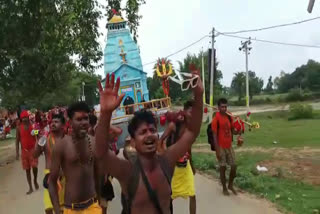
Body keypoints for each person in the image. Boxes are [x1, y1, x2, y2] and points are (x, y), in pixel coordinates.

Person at [95, 72, 203, 214]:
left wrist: (199, 95)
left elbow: (192, 132)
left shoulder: (167, 161)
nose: (149, 135)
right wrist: (106, 112)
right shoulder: (127, 171)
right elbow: (101, 155)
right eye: (142, 132)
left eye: (152, 130)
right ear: (132, 142)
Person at [48, 102, 102, 214]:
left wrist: (99, 201)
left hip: (93, 207)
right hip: (71, 209)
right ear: (70, 121)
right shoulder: (61, 145)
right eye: (79, 119)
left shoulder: (94, 142)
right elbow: (52, 182)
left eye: (86, 118)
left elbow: (98, 176)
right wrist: (57, 210)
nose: (83, 123)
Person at [159, 102, 197, 214]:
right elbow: (161, 141)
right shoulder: (173, 126)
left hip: (186, 166)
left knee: (192, 194)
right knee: (169, 197)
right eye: (190, 111)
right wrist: (166, 155)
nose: (192, 114)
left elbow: (188, 148)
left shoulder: (191, 129)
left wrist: (192, 164)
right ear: (184, 111)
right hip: (173, 168)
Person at [33, 113, 66, 214]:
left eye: (56, 122)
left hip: (65, 176)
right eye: (52, 122)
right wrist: (39, 142)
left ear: (63, 125)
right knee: (49, 208)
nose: (53, 124)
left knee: (64, 208)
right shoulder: (45, 140)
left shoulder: (68, 140)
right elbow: (35, 155)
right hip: (50, 176)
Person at [211, 98, 238, 196]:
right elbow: (214, 135)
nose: (224, 108)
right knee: (223, 168)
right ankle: (224, 188)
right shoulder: (216, 119)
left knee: (234, 166)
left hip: (229, 145)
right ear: (218, 107)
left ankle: (230, 185)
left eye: (225, 106)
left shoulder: (229, 116)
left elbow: (233, 130)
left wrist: (238, 130)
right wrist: (217, 150)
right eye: (222, 107)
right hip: (220, 146)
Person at [16, 110, 39, 194]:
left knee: (34, 167)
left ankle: (35, 180)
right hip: (24, 151)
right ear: (21, 119)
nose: (24, 119)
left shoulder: (33, 125)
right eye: (23, 118)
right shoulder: (19, 127)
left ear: (28, 117)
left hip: (33, 150)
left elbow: (39, 133)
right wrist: (17, 153)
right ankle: (30, 187)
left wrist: (35, 132)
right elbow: (17, 140)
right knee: (27, 169)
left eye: (26, 117)